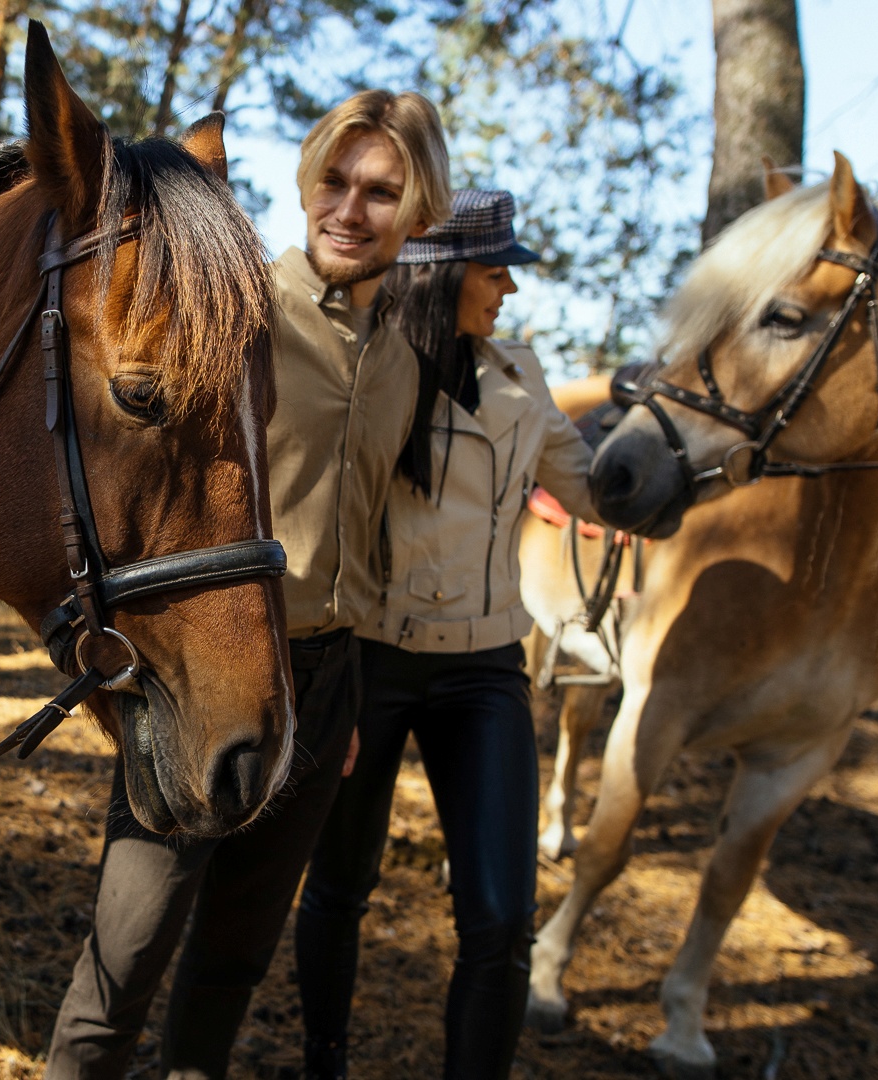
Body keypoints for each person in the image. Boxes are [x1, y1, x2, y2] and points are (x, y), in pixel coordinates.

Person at [43, 90, 452, 1080]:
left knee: (233, 964)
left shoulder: (409, 351)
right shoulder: (235, 312)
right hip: (210, 664)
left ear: (421, 211)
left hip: (325, 689)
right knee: (121, 968)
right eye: (334, 181)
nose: (350, 208)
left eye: (381, 191)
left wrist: (345, 689)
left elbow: (375, 524)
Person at [293, 189, 597, 1080]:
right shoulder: (369, 370)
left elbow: (588, 488)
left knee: (500, 918)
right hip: (371, 659)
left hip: (485, 669)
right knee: (340, 887)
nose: (507, 289)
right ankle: (324, 1063)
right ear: (445, 274)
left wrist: (687, 454)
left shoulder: (523, 374)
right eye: (495, 269)